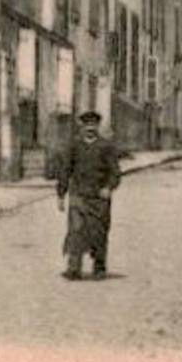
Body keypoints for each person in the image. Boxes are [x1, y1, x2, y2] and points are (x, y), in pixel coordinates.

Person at [57, 110, 121, 280]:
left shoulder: (106, 146)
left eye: (93, 125)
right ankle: (73, 268)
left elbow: (115, 172)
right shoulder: (74, 146)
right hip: (78, 195)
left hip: (99, 198)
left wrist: (108, 187)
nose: (90, 129)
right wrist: (61, 194)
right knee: (76, 230)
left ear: (97, 126)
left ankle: (99, 267)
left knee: (98, 232)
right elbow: (65, 170)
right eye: (87, 125)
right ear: (82, 126)